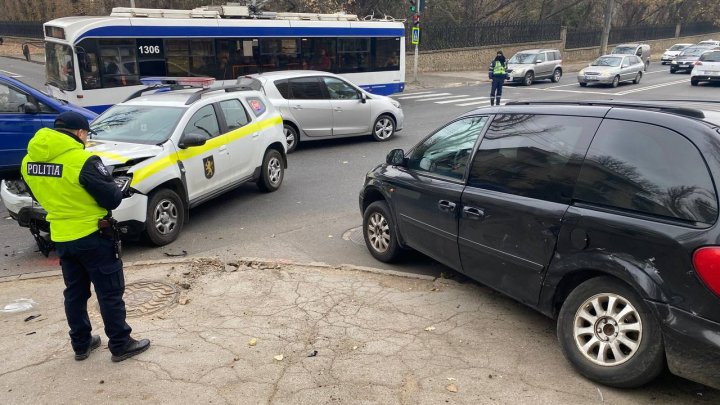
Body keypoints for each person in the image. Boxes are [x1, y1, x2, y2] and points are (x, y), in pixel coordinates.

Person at [21, 111, 150, 363]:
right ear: (80, 133)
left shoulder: (29, 161)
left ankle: (81, 344)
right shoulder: (84, 160)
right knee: (109, 292)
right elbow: (111, 198)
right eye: (86, 134)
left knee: (75, 293)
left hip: (61, 236)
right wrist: (116, 187)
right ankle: (121, 344)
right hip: (93, 235)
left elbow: (38, 195)